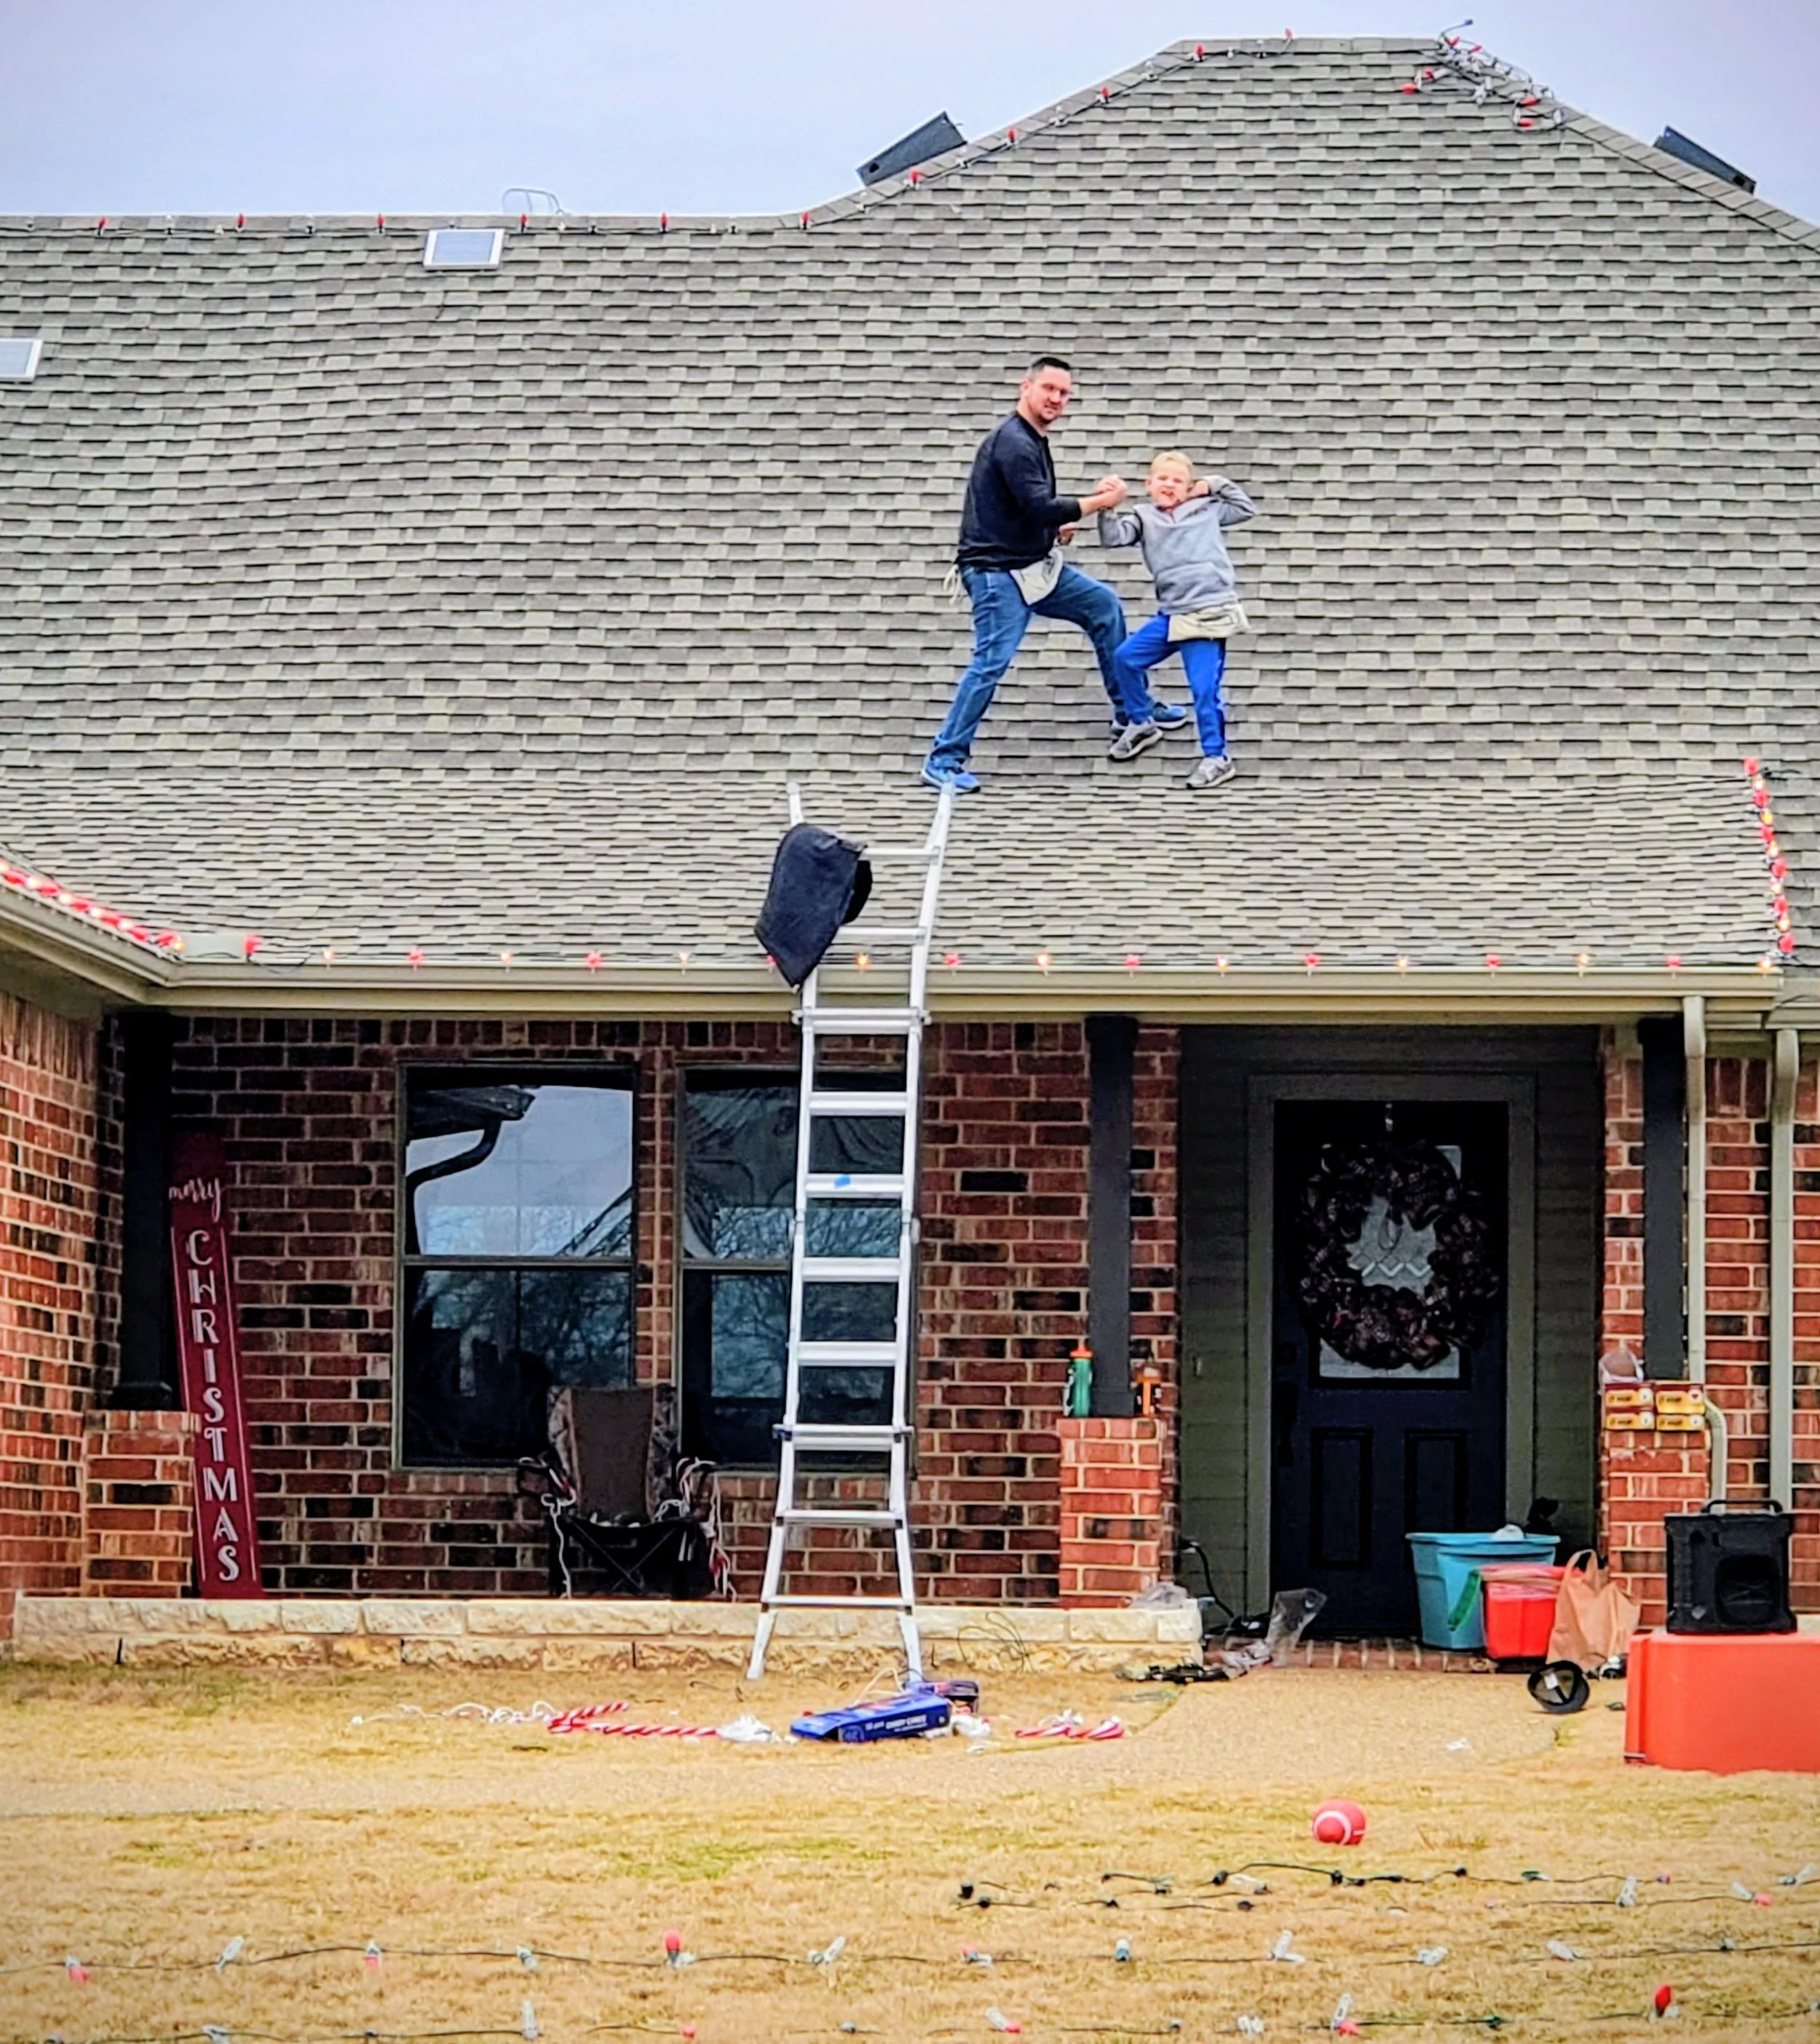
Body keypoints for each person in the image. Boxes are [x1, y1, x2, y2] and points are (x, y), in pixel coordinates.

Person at [922, 358, 1187, 794]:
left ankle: (1133, 710)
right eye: (1049, 389)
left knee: (1103, 606)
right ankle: (943, 759)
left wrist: (1053, 527)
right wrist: (1101, 503)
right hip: (996, 575)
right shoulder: (1014, 441)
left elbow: (1026, 508)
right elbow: (1040, 506)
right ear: (1025, 388)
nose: (1057, 400)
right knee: (991, 661)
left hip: (1032, 566)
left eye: (1064, 394)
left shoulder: (1032, 440)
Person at [1097, 451, 1257, 792]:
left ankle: (1217, 757)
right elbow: (1114, 538)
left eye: (1178, 480)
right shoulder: (1143, 516)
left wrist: (1210, 485)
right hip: (1173, 614)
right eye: (1163, 479)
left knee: (1203, 689)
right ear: (1149, 484)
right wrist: (1107, 506)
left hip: (1207, 614)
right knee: (1125, 658)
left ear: (1189, 487)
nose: (1169, 485)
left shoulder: (1207, 510)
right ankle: (1141, 722)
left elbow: (1245, 507)